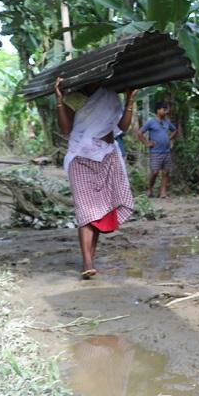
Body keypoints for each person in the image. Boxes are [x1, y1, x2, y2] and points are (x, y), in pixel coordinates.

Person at [54, 78, 137, 279]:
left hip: (106, 157)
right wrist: (59, 100)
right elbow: (66, 130)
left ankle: (90, 258)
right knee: (86, 211)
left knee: (98, 212)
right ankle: (87, 262)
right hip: (80, 157)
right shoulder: (75, 98)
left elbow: (121, 128)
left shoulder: (109, 97)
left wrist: (129, 102)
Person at [138, 101, 177, 198]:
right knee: (155, 172)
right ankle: (150, 189)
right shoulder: (151, 122)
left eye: (167, 110)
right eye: (164, 109)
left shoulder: (167, 122)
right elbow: (139, 133)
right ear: (158, 110)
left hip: (166, 151)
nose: (166, 112)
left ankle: (163, 193)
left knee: (166, 172)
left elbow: (175, 130)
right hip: (155, 152)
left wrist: (169, 138)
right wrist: (147, 143)